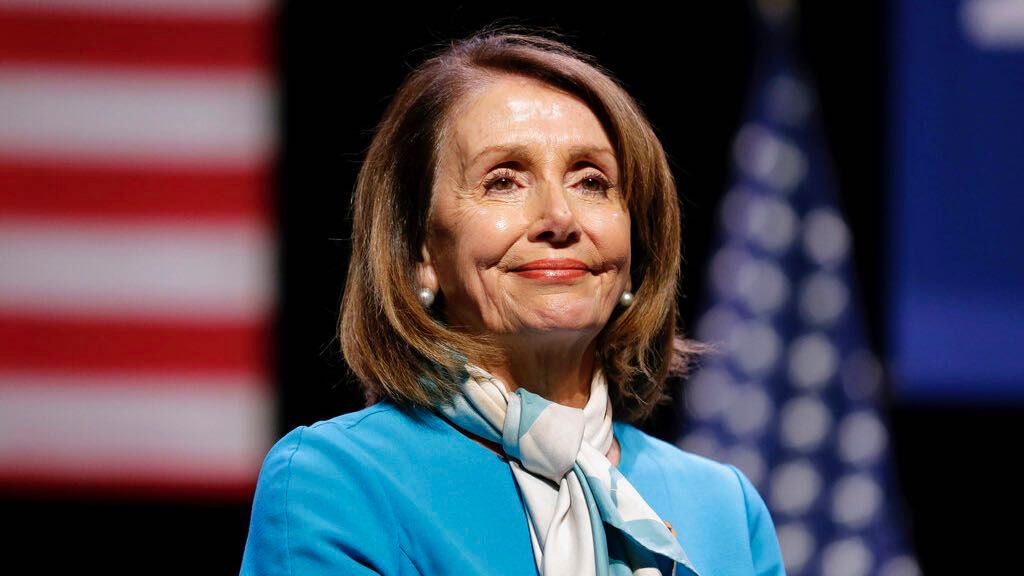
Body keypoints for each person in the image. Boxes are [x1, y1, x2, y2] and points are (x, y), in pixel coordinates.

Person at [239, 24, 786, 576]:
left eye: (591, 181)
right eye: (503, 180)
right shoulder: (336, 482)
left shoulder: (724, 509)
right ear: (421, 250)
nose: (560, 219)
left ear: (635, 245)